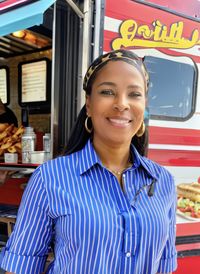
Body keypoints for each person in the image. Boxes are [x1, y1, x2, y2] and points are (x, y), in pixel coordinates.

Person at [0, 49, 177, 274]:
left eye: (134, 94)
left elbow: (163, 267)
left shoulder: (163, 181)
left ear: (144, 106)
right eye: (107, 91)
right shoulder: (50, 178)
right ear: (89, 104)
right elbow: (20, 268)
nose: (122, 104)